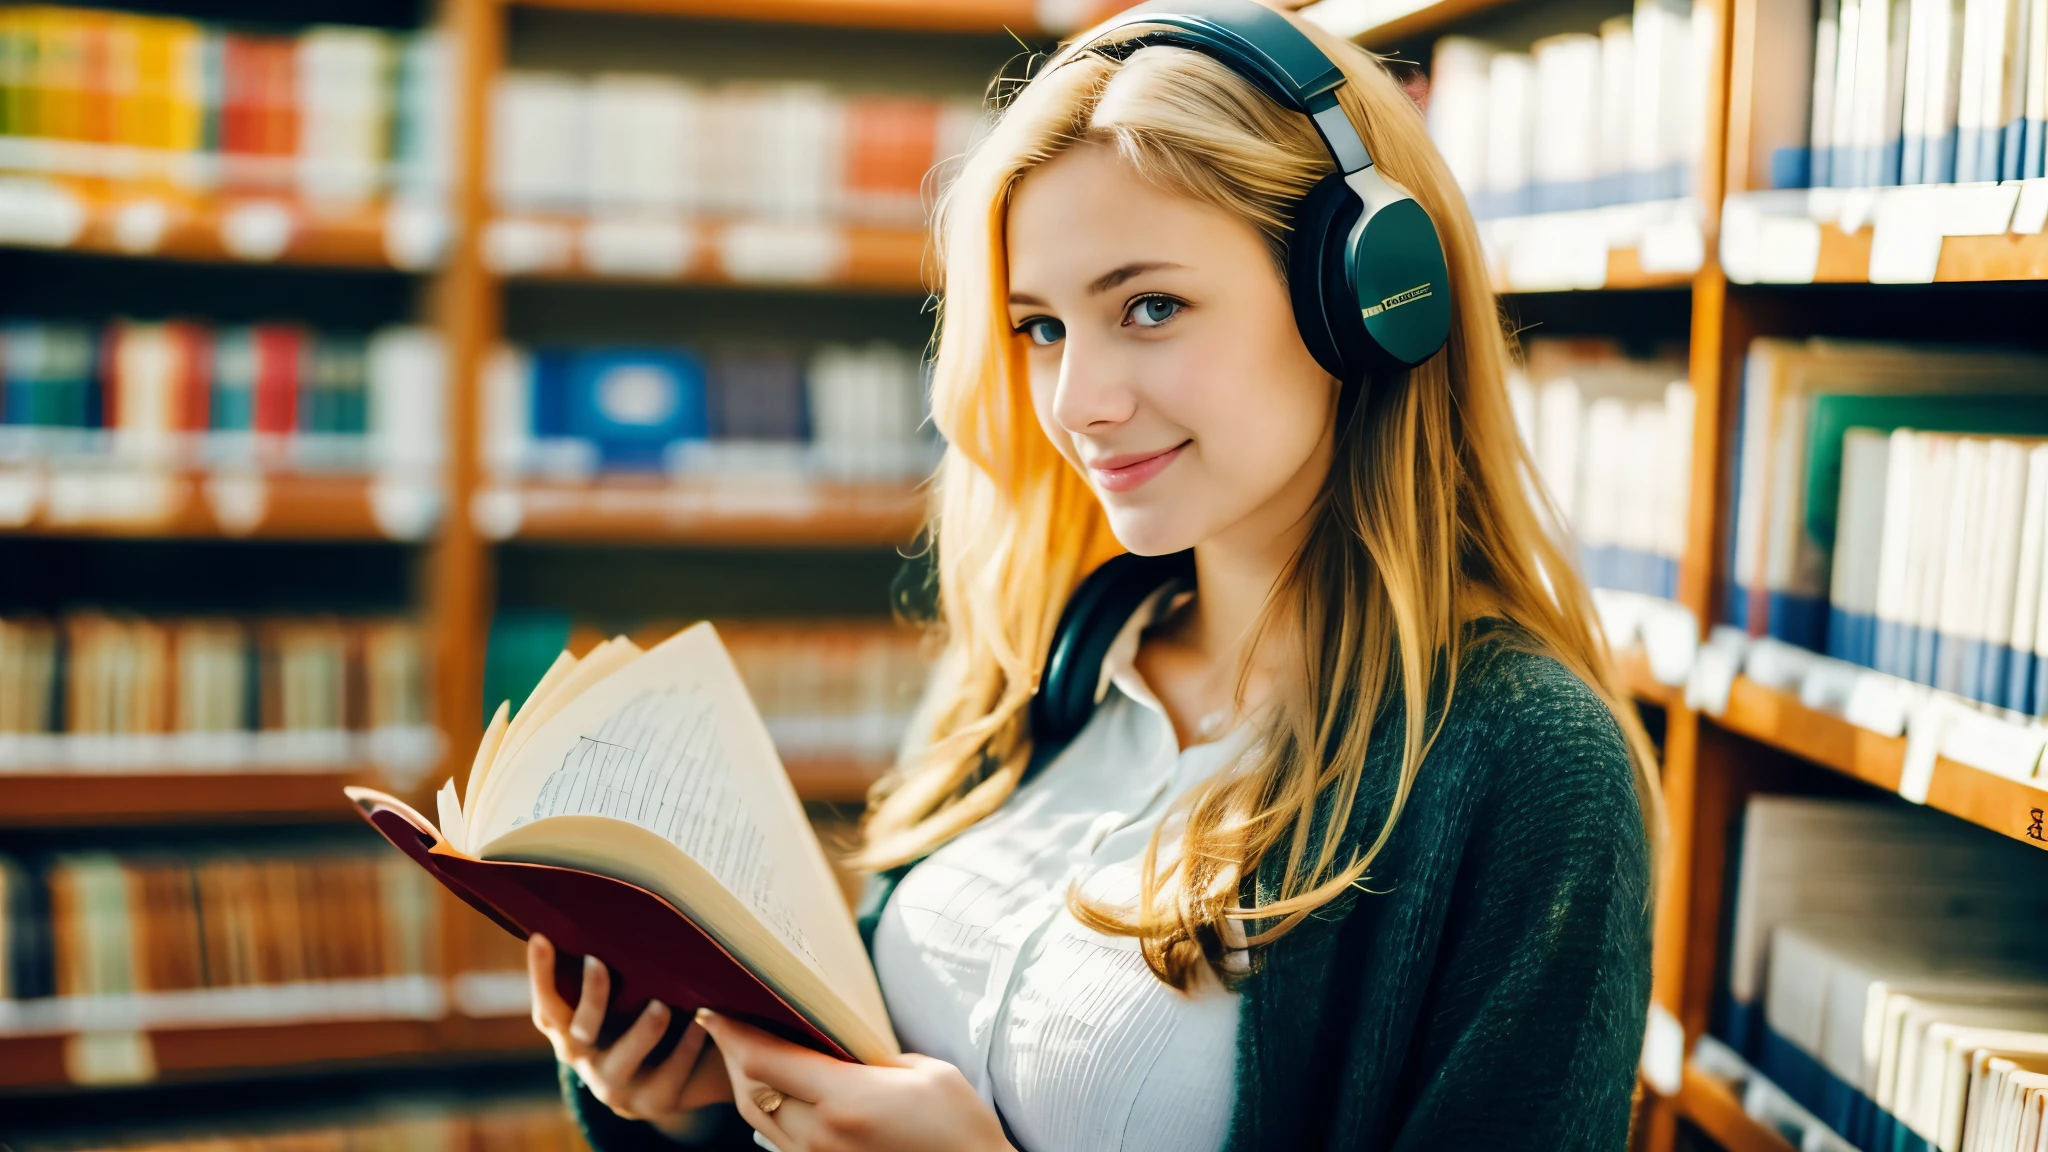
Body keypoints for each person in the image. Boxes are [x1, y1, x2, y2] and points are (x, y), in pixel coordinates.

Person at [524, 4, 1661, 1149]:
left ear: (1365, 302)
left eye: (1149, 308)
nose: (1077, 404)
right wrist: (703, 1105)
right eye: (1040, 328)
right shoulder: (1038, 667)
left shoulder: (1525, 767)